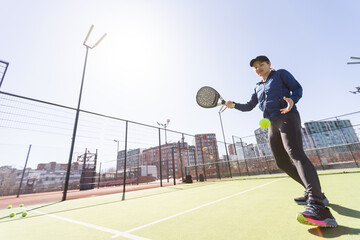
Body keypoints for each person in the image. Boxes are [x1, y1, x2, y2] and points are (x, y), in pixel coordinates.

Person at [225, 56, 337, 227]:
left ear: (269, 65)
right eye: (255, 67)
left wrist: (293, 99)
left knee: (295, 153)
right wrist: (234, 105)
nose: (258, 68)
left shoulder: (281, 74)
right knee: (282, 162)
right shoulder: (257, 87)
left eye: (261, 64)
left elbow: (297, 88)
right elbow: (249, 106)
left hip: (287, 116)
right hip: (272, 123)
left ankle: (318, 206)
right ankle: (314, 192)